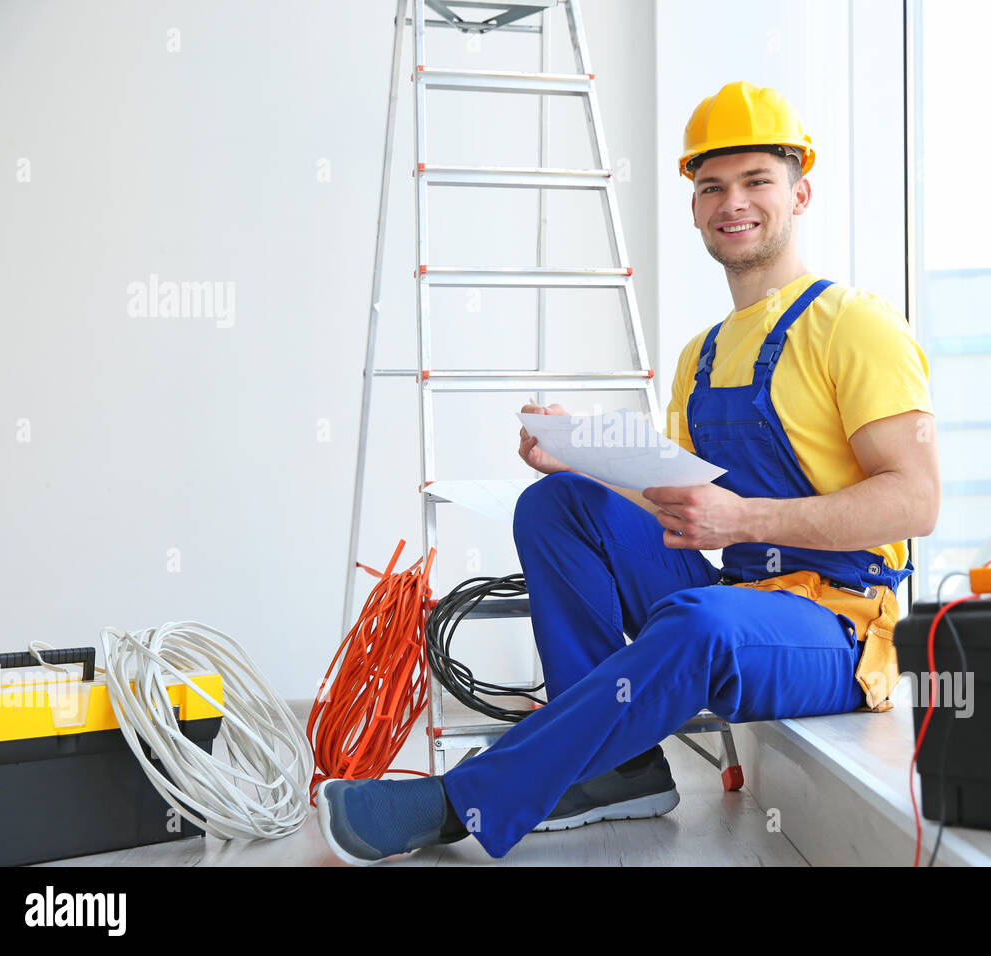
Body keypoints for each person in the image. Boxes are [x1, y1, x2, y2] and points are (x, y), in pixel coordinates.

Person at [316, 80, 939, 865]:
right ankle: (616, 767)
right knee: (560, 504)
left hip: (840, 631)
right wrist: (580, 458)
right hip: (746, 595)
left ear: (800, 191)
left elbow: (916, 502)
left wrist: (746, 522)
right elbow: (687, 503)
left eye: (756, 181)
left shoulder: (855, 325)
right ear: (694, 205)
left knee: (700, 624)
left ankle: (457, 803)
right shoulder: (702, 355)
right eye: (712, 186)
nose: (731, 202)